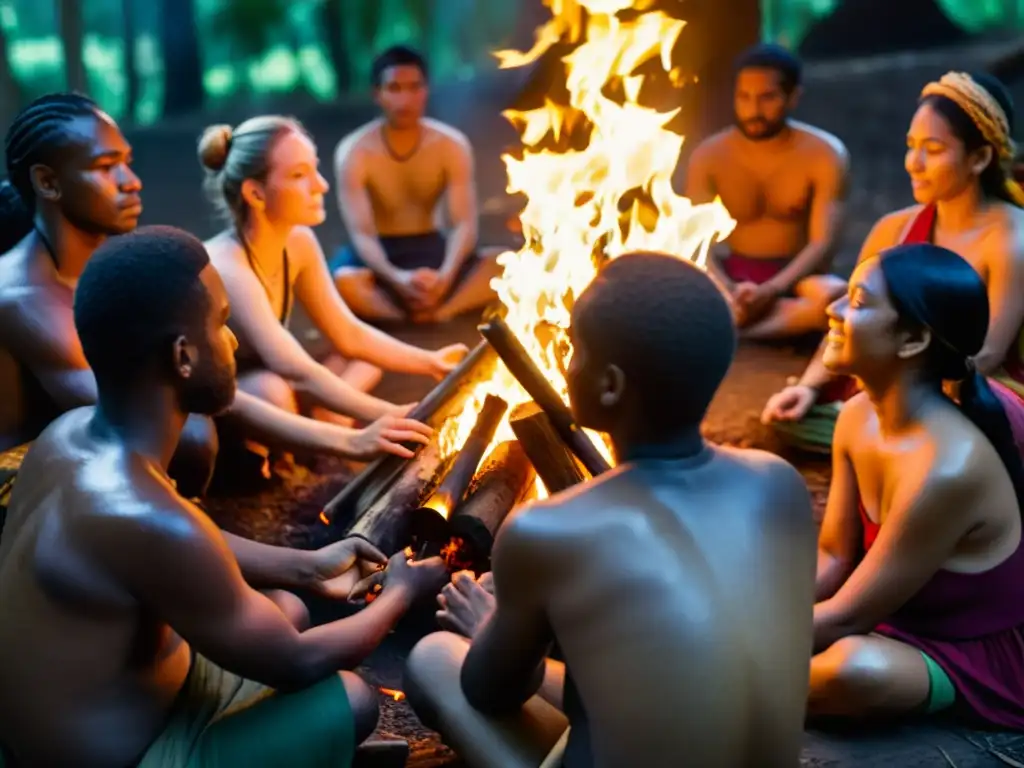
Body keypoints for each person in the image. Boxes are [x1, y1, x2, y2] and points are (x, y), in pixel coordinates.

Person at [0, 226, 451, 768]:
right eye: (220, 322)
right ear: (183, 356)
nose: (234, 340)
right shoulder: (143, 516)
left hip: (118, 696)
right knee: (350, 699)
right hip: (128, 755)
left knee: (284, 607)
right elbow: (296, 664)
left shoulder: (70, 435)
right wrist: (402, 592)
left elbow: (183, 538)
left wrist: (308, 567)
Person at [404, 252, 817, 767]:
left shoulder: (545, 529)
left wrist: (491, 625)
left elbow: (491, 692)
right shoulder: (778, 485)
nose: (564, 357)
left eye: (574, 348)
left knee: (433, 659)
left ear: (610, 385)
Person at [0, 94, 427, 499]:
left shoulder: (108, 262)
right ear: (48, 182)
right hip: (22, 485)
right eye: (106, 167)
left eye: (127, 163)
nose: (132, 182)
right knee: (192, 433)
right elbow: (133, 409)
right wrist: (350, 440)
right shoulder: (24, 298)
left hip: (101, 445)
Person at [809, 243, 1024, 727]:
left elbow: (846, 618)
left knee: (851, 672)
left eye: (859, 303)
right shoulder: (858, 416)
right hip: (884, 612)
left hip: (967, 649)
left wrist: (726, 643)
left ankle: (721, 688)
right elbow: (835, 557)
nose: (833, 309)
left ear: (912, 341)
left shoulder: (948, 467)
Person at [762, 71, 1024, 453]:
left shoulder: (1011, 238)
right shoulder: (894, 229)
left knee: (945, 425)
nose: (913, 163)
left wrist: (892, 398)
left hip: (972, 393)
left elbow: (982, 358)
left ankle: (895, 448)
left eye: (932, 150)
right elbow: (844, 320)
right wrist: (808, 385)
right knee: (791, 421)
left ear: (980, 158)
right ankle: (887, 445)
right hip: (897, 384)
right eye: (910, 146)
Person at [198, 115, 468, 431]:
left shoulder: (297, 240)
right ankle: (277, 464)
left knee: (365, 359)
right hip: (225, 397)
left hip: (280, 375)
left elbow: (348, 333)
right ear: (255, 194)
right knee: (272, 389)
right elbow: (292, 367)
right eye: (300, 175)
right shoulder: (227, 265)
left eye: (315, 169)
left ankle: (329, 418)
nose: (320, 185)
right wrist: (390, 414)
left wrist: (430, 361)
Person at [685, 43, 849, 340]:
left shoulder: (824, 154)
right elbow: (694, 241)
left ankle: (736, 331)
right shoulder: (709, 156)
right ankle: (744, 320)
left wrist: (771, 290)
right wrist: (727, 289)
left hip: (796, 276)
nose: (753, 110)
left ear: (793, 97)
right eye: (744, 97)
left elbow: (822, 243)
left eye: (767, 98)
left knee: (837, 298)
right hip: (729, 275)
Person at [330, 45, 501, 323]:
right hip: (379, 253)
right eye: (394, 88)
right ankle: (402, 315)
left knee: (503, 264)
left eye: (414, 87)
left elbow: (464, 224)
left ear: (426, 89)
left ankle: (441, 311)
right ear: (378, 93)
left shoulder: (450, 144)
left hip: (433, 247)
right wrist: (397, 278)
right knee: (343, 282)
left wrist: (445, 275)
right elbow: (362, 235)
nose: (405, 99)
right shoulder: (355, 151)